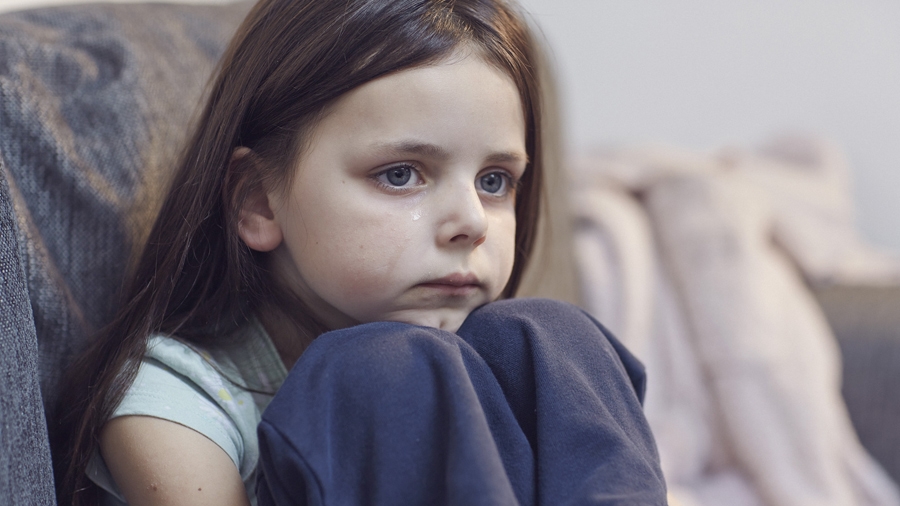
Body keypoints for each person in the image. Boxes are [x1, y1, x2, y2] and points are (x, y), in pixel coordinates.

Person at [51, 0, 667, 504]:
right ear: (259, 202)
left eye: (494, 181)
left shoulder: (499, 356)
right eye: (401, 175)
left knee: (544, 332)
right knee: (384, 366)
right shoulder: (173, 401)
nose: (472, 223)